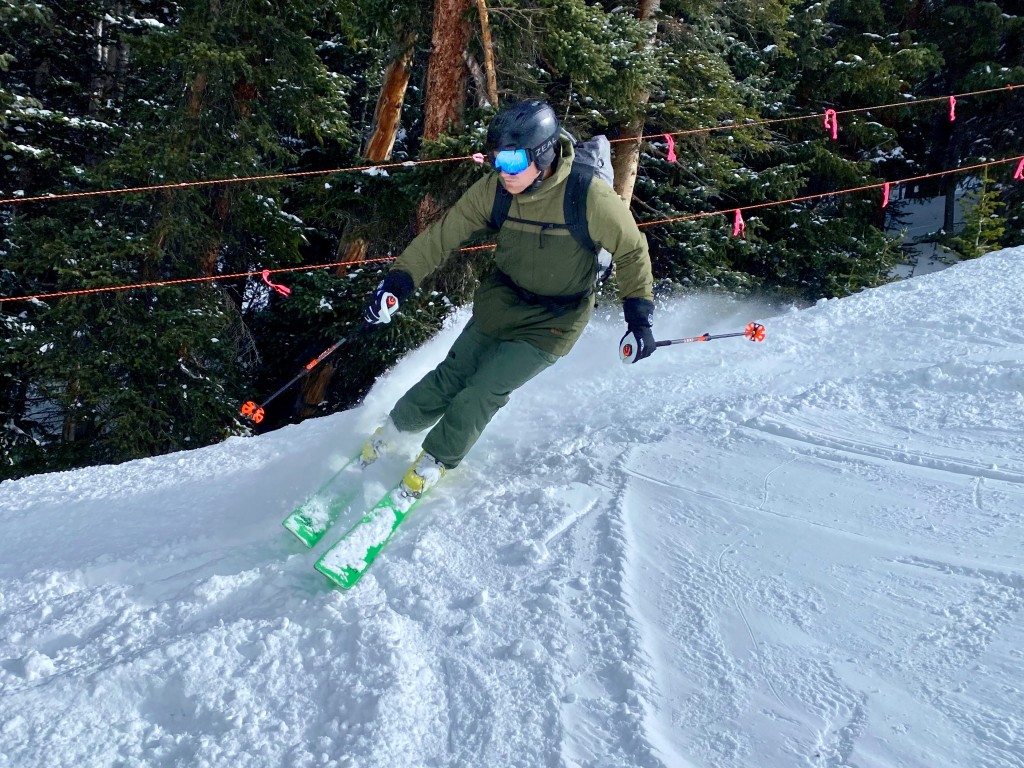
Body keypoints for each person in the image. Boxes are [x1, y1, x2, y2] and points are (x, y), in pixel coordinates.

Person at [360, 98, 656, 497]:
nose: (503, 172)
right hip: (500, 302)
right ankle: (394, 433)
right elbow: (444, 234)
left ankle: (436, 461)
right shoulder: (496, 191)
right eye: (496, 160)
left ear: (544, 155)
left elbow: (632, 250)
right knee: (450, 376)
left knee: (483, 390)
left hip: (553, 321)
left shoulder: (587, 197)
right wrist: (399, 280)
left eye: (513, 162)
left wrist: (638, 318)